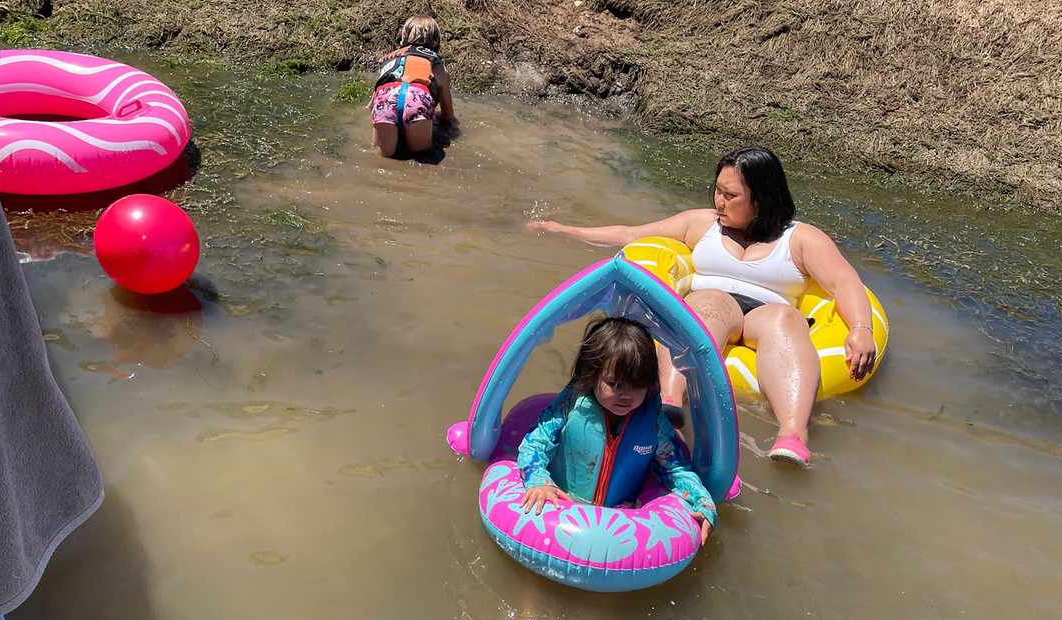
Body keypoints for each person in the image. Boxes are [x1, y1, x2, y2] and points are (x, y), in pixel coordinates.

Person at [526, 145, 878, 466]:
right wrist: (562, 229)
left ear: (761, 198)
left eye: (730, 195)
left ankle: (792, 435)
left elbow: (842, 282)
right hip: (709, 309)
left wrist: (861, 329)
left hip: (765, 317)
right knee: (709, 302)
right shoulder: (702, 224)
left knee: (785, 317)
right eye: (718, 190)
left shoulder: (800, 238)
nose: (718, 201)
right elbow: (633, 235)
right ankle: (671, 407)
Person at [517, 316, 717, 544]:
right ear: (591, 376)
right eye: (614, 384)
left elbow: (675, 470)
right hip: (562, 506)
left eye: (637, 386)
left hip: (622, 514)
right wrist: (539, 482)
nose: (626, 395)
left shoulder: (653, 420)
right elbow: (534, 445)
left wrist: (703, 503)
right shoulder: (569, 405)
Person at [368, 15, 455, 157]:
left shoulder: (390, 60)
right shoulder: (438, 68)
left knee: (380, 156)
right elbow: (448, 115)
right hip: (417, 99)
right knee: (421, 156)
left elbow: (372, 103)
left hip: (386, 98)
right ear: (436, 41)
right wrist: (432, 116)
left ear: (404, 37)